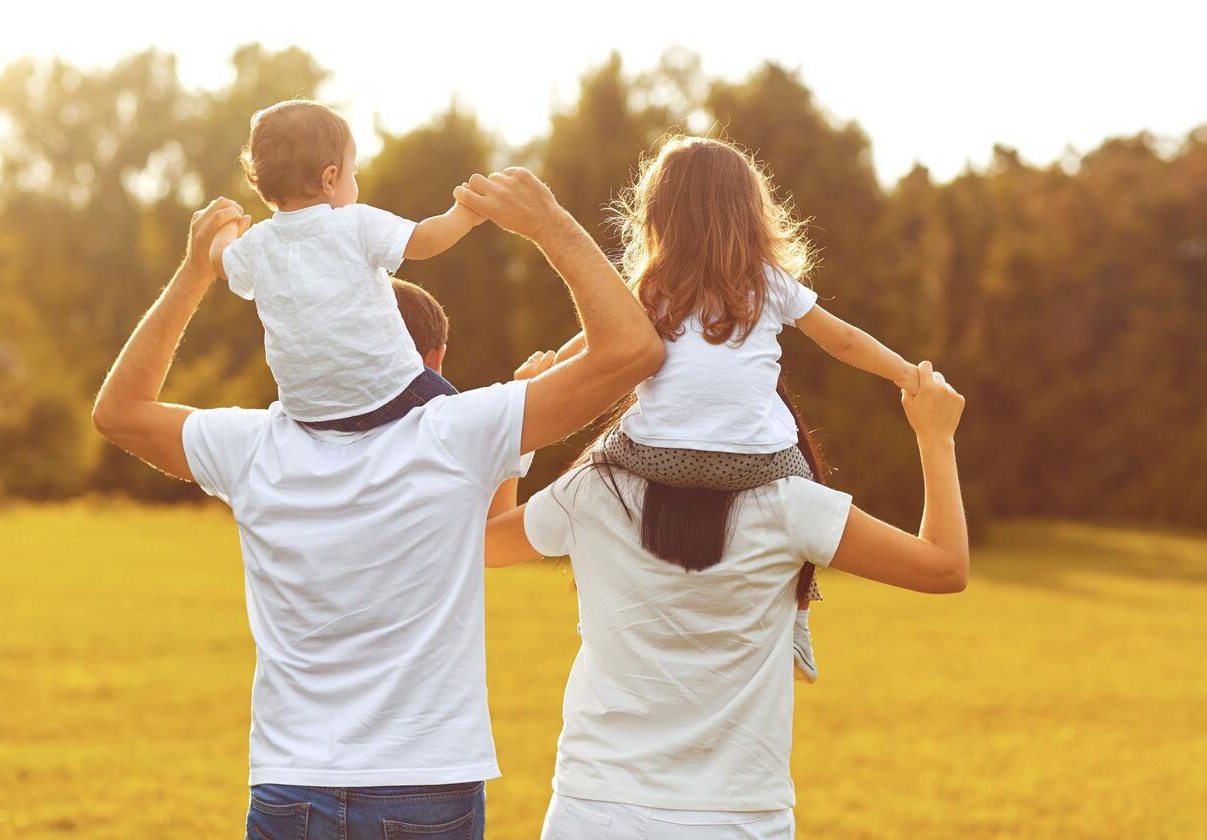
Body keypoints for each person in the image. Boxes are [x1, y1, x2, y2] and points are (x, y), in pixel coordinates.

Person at [90, 169, 665, 840]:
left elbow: (118, 412)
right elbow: (633, 349)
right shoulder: (458, 432)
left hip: (290, 782)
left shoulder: (253, 449)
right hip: (425, 782)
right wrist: (549, 226)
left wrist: (196, 272)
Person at [484, 361, 968, 840]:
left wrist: (518, 428)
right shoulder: (791, 503)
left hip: (595, 808)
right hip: (735, 816)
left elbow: (489, 543)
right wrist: (935, 436)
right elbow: (944, 566)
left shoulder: (593, 488)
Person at [548, 135, 921, 682]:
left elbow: (590, 342)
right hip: (755, 462)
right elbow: (842, 341)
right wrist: (905, 373)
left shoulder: (650, 287)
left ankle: (600, 615)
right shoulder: (768, 283)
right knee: (809, 481)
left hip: (656, 454)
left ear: (658, 217)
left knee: (594, 471)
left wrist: (544, 373)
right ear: (750, 215)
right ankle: (797, 620)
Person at [207, 99, 486, 434]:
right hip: (389, 391)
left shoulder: (257, 244)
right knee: (468, 427)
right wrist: (465, 214)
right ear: (330, 179)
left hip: (308, 413)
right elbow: (424, 241)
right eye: (353, 172)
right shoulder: (354, 223)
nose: (356, 180)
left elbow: (219, 262)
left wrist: (225, 228)